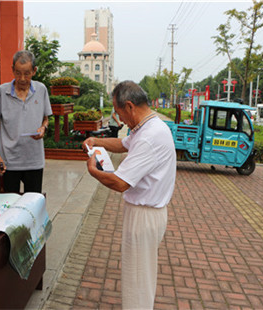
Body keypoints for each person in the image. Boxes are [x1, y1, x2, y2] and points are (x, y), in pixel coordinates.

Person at [83, 81, 176, 309]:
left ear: (129, 106)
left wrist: (94, 171)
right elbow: (124, 144)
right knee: (141, 275)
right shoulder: (149, 126)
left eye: (119, 112)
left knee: (137, 281)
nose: (120, 119)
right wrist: (95, 141)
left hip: (143, 216)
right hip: (148, 213)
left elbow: (120, 183)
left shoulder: (148, 136)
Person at [0, 50, 52, 193]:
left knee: (33, 205)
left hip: (34, 160)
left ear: (34, 71)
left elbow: (46, 119)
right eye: (18, 73)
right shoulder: (2, 91)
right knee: (8, 206)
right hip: (8, 161)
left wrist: (43, 128)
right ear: (12, 70)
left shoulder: (41, 90)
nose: (22, 78)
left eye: (27, 73)